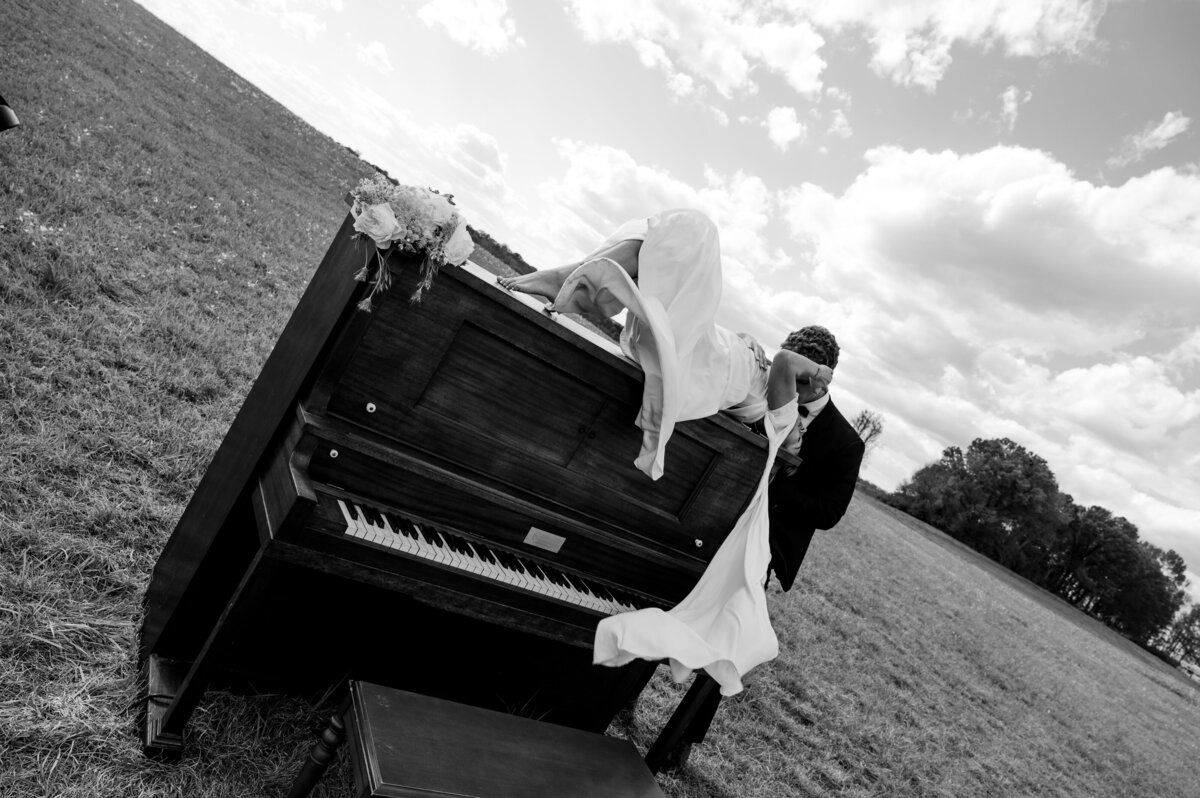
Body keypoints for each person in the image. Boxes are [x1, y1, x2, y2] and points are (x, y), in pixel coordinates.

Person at [502, 210, 863, 770]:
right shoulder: (770, 391)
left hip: (756, 517)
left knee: (693, 237)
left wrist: (763, 487)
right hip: (709, 372)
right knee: (687, 234)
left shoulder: (792, 417)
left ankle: (677, 740)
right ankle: (570, 277)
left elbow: (824, 502)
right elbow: (775, 373)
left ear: (820, 376)